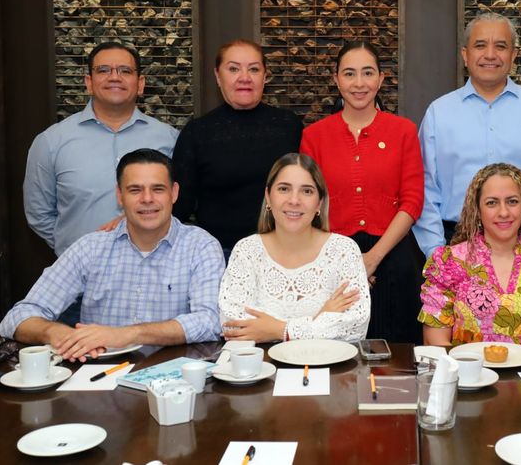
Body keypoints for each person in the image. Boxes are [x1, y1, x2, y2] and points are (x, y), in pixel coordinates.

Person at [0, 149, 225, 361]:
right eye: (135, 190)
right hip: (97, 379)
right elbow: (17, 317)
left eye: (158, 189)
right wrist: (57, 333)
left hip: (176, 381)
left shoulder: (201, 246)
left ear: (174, 193)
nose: (147, 199)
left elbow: (210, 321)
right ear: (120, 195)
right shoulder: (90, 248)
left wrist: (128, 334)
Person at [413, 12, 521, 259]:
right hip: (455, 244)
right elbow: (425, 189)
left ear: (513, 55)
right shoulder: (439, 113)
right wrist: (438, 254)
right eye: (480, 45)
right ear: (465, 55)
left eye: (500, 46)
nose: (490, 55)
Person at [300, 41, 424, 343]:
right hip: (331, 255)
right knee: (336, 352)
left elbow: (412, 200)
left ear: (381, 79)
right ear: (336, 80)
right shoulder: (314, 135)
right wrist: (349, 264)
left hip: (393, 254)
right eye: (349, 74)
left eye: (367, 73)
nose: (359, 83)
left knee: (396, 359)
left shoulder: (403, 130)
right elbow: (308, 203)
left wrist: (372, 259)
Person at [24, 41, 178, 257]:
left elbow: (179, 203)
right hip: (80, 278)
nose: (114, 77)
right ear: (88, 82)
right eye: (103, 70)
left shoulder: (169, 139)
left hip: (156, 270)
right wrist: (77, 252)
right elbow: (39, 214)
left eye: (125, 71)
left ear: (140, 83)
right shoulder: (51, 142)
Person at [172, 38, 303, 258]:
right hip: (218, 256)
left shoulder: (289, 126)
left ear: (264, 76)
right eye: (233, 69)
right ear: (217, 76)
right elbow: (179, 204)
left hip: (283, 252)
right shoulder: (198, 132)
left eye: (253, 69)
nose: (244, 78)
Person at [218, 153, 370, 342]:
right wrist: (318, 318)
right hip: (261, 368)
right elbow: (233, 326)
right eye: (284, 189)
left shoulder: (343, 250)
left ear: (319, 203)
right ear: (268, 196)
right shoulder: (247, 250)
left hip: (328, 368)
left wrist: (279, 331)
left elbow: (355, 327)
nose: (294, 200)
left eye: (307, 191)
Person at [418, 163, 521, 347]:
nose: (503, 212)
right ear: (477, 210)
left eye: (512, 201)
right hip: (466, 373)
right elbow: (435, 340)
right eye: (492, 203)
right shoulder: (449, 262)